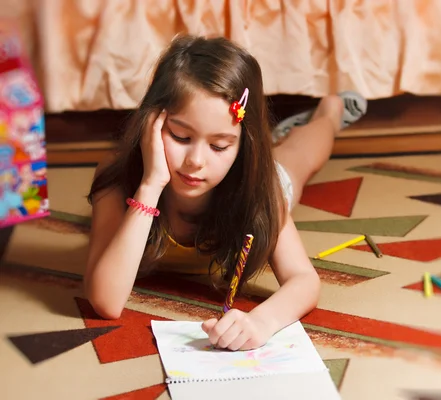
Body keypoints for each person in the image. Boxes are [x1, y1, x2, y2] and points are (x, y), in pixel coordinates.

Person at [84, 34, 367, 351]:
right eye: (180, 136)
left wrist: (261, 322)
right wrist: (150, 185)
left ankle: (328, 113)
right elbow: (106, 302)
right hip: (150, 179)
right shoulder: (116, 178)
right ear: (150, 122)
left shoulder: (262, 191)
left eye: (219, 145)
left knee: (302, 157)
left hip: (256, 182)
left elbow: (305, 281)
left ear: (243, 146)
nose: (196, 162)